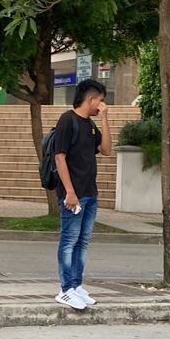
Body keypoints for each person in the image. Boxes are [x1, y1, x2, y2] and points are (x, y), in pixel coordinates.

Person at [51, 78, 112, 310]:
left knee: (82, 242)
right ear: (90, 99)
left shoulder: (90, 125)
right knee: (69, 241)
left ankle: (76, 285)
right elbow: (60, 157)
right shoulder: (68, 120)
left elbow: (106, 150)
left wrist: (105, 118)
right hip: (73, 195)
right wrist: (69, 192)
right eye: (101, 102)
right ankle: (65, 289)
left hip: (90, 193)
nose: (101, 106)